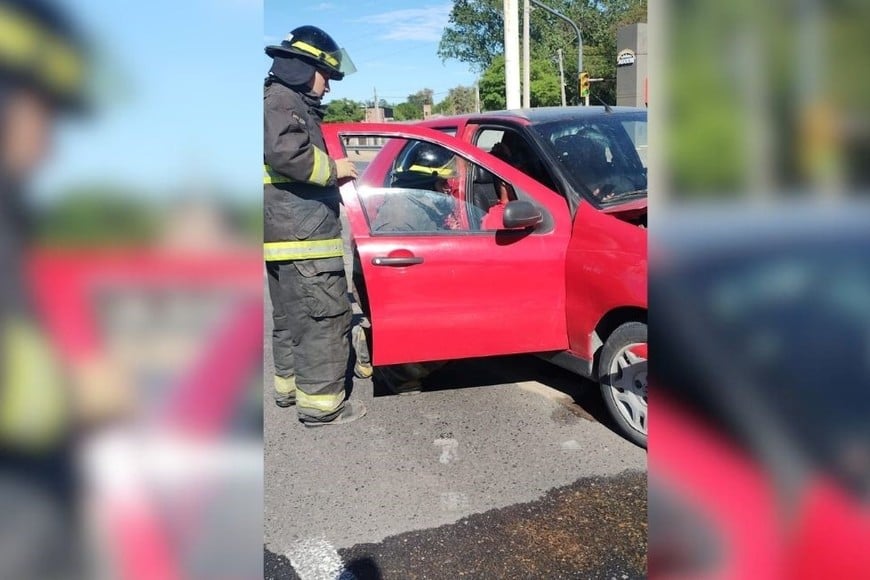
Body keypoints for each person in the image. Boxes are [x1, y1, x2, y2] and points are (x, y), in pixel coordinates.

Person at [263, 26, 367, 425]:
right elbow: (286, 153)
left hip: (285, 238)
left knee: (291, 320)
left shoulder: (277, 100)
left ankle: (289, 392)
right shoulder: (282, 101)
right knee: (323, 321)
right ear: (306, 69)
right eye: (326, 77)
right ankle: (322, 408)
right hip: (303, 237)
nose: (328, 88)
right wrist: (334, 169)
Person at [371, 143, 461, 233]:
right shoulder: (398, 221)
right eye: (443, 183)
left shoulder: (423, 209)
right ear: (425, 184)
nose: (448, 188)